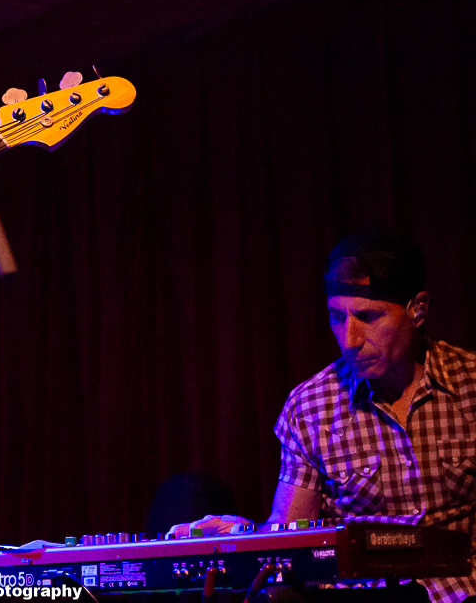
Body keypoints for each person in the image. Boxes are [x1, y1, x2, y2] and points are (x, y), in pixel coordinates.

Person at [177, 228, 476, 603]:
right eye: (337, 317)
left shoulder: (470, 385)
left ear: (418, 309)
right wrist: (239, 533)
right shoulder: (310, 407)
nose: (349, 339)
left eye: (368, 317)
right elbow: (287, 536)